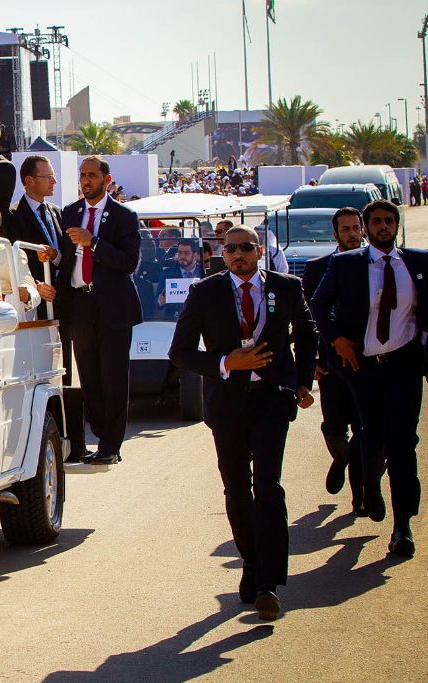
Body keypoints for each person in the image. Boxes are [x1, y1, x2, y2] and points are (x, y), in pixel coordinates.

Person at [169, 225, 317, 620]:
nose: (238, 255)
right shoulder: (205, 292)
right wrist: (223, 363)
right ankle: (251, 561)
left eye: (246, 248)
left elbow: (307, 333)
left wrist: (302, 381)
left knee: (268, 487)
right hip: (227, 403)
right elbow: (180, 352)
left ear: (259, 251)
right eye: (230, 248)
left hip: (272, 400)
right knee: (237, 490)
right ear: (222, 253)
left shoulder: (286, 287)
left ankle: (269, 583)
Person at [311, 199, 428, 558]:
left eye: (389, 221)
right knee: (371, 434)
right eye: (376, 221)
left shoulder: (419, 262)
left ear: (396, 225)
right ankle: (369, 486)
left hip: (404, 364)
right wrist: (336, 338)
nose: (383, 227)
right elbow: (318, 304)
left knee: (403, 442)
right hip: (362, 367)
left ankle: (402, 526)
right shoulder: (346, 264)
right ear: (365, 227)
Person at [55, 156, 142, 464]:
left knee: (113, 377)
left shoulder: (124, 216)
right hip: (80, 303)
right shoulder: (70, 213)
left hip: (113, 306)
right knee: (89, 376)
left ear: (107, 179)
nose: (86, 180)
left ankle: (111, 446)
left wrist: (94, 243)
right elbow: (67, 260)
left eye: (92, 175)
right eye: (82, 175)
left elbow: (128, 262)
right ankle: (100, 436)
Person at [301, 207, 366, 514]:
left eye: (356, 228)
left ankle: (361, 496)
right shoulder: (317, 269)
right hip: (330, 364)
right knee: (334, 426)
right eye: (346, 229)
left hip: (369, 364)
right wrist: (312, 359)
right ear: (335, 233)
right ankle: (341, 458)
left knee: (365, 430)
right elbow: (307, 320)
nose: (352, 233)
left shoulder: (376, 264)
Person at [4, 155, 63, 293]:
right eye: (48, 177)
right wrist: (36, 285)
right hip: (35, 299)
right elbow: (12, 260)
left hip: (63, 296)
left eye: (53, 176)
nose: (54, 181)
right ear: (29, 180)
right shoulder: (13, 215)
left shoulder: (58, 212)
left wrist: (55, 255)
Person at [157, 238, 205, 319]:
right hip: (173, 320)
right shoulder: (167, 273)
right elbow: (155, 302)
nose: (182, 256)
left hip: (199, 318)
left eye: (186, 253)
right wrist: (160, 301)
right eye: (180, 253)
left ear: (195, 255)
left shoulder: (203, 273)